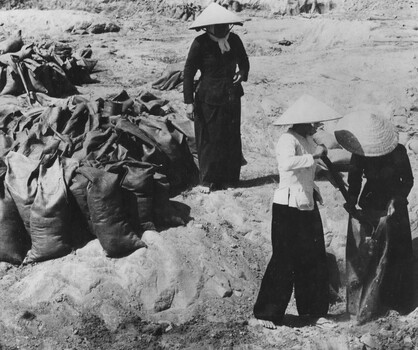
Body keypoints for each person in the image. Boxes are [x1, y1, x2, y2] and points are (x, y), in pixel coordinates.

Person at [253, 95, 342, 329]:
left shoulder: (307, 139)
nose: (315, 127)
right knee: (284, 258)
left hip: (307, 203)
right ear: (301, 122)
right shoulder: (287, 139)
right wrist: (313, 155)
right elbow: (287, 165)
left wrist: (323, 180)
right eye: (312, 123)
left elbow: (312, 167)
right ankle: (266, 313)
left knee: (313, 257)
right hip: (287, 206)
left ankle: (313, 311)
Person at [334, 111, 415, 319]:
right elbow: (354, 180)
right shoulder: (360, 152)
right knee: (368, 255)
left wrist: (396, 200)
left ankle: (396, 302)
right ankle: (364, 303)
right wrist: (351, 201)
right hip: (370, 203)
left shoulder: (398, 152)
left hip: (394, 206)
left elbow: (407, 180)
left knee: (396, 255)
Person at [183, 2, 250, 193]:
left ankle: (230, 179)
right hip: (207, 98)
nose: (221, 30)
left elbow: (244, 62)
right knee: (208, 139)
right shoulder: (200, 43)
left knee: (230, 137)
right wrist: (189, 102)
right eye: (217, 26)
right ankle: (208, 181)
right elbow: (188, 72)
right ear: (209, 27)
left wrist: (242, 73)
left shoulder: (235, 40)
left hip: (231, 96)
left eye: (224, 26)